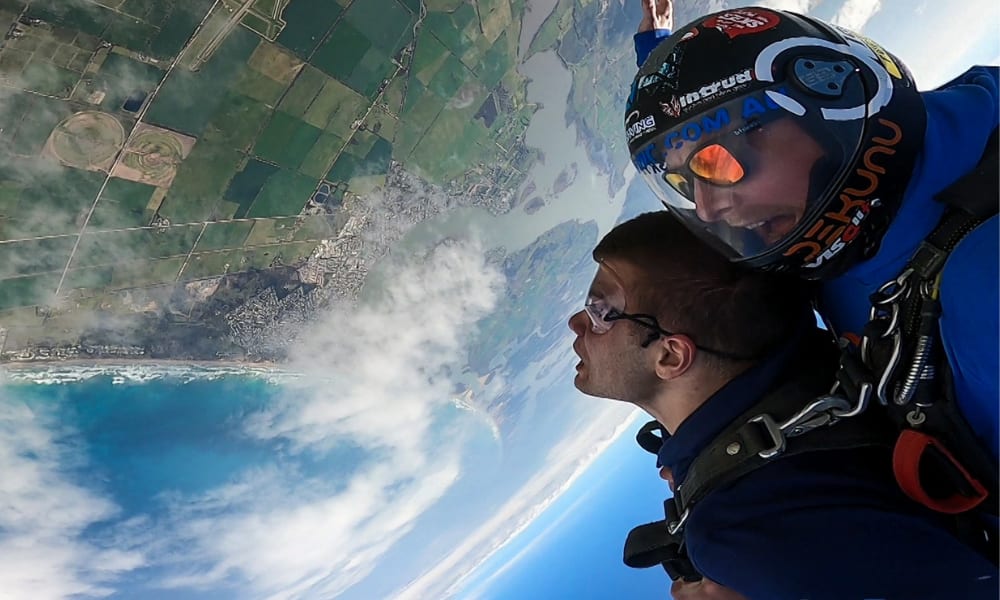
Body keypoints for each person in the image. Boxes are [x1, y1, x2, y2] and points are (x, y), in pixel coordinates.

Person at [626, 3, 998, 505]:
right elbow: (760, 98)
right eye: (683, 181)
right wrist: (667, 72)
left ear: (831, 104)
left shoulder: (986, 294)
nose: (708, 207)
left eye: (714, 163)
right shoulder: (908, 170)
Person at [568, 211, 998, 598]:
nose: (577, 322)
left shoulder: (739, 531)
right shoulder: (814, 364)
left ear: (670, 356)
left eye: (601, 310)